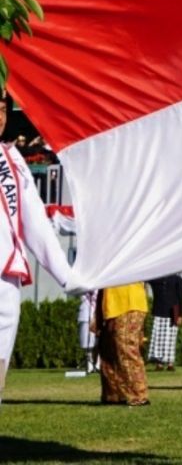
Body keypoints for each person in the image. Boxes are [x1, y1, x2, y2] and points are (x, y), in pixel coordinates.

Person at [0, 88, 74, 407]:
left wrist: (70, 279)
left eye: (3, 107)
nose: (0, 114)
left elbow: (37, 226)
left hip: (7, 276)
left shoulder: (12, 157)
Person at [97, 282, 150, 406]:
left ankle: (138, 394)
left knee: (126, 348)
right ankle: (113, 395)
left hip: (129, 303)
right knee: (108, 352)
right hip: (111, 305)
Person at [147, 273, 182, 371]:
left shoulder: (177, 279)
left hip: (172, 312)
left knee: (170, 339)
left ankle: (170, 363)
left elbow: (181, 297)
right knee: (158, 338)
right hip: (159, 310)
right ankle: (159, 363)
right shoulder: (156, 278)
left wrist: (181, 314)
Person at [77, 290, 99, 374]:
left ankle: (98, 365)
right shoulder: (84, 289)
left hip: (99, 313)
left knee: (100, 342)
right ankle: (89, 365)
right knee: (87, 343)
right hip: (86, 313)